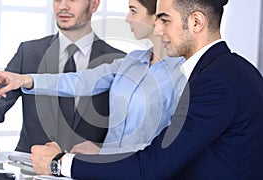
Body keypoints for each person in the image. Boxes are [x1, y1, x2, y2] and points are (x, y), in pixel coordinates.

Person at [26, 0, 263, 179]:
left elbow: (154, 165)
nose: (157, 30)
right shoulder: (223, 70)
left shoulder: (217, 81)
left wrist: (60, 163)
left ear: (196, 22)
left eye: (165, 20)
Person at [0, 0, 185, 155]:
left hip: (123, 169)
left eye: (133, 10)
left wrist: (100, 152)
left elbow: (172, 144)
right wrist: (29, 80)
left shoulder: (183, 74)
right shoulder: (129, 62)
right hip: (49, 168)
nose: (127, 18)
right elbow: (80, 81)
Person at [0, 0, 125, 158]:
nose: (62, 6)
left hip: (89, 171)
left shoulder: (117, 61)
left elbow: (126, 131)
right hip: (30, 170)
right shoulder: (29, 52)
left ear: (94, 4)